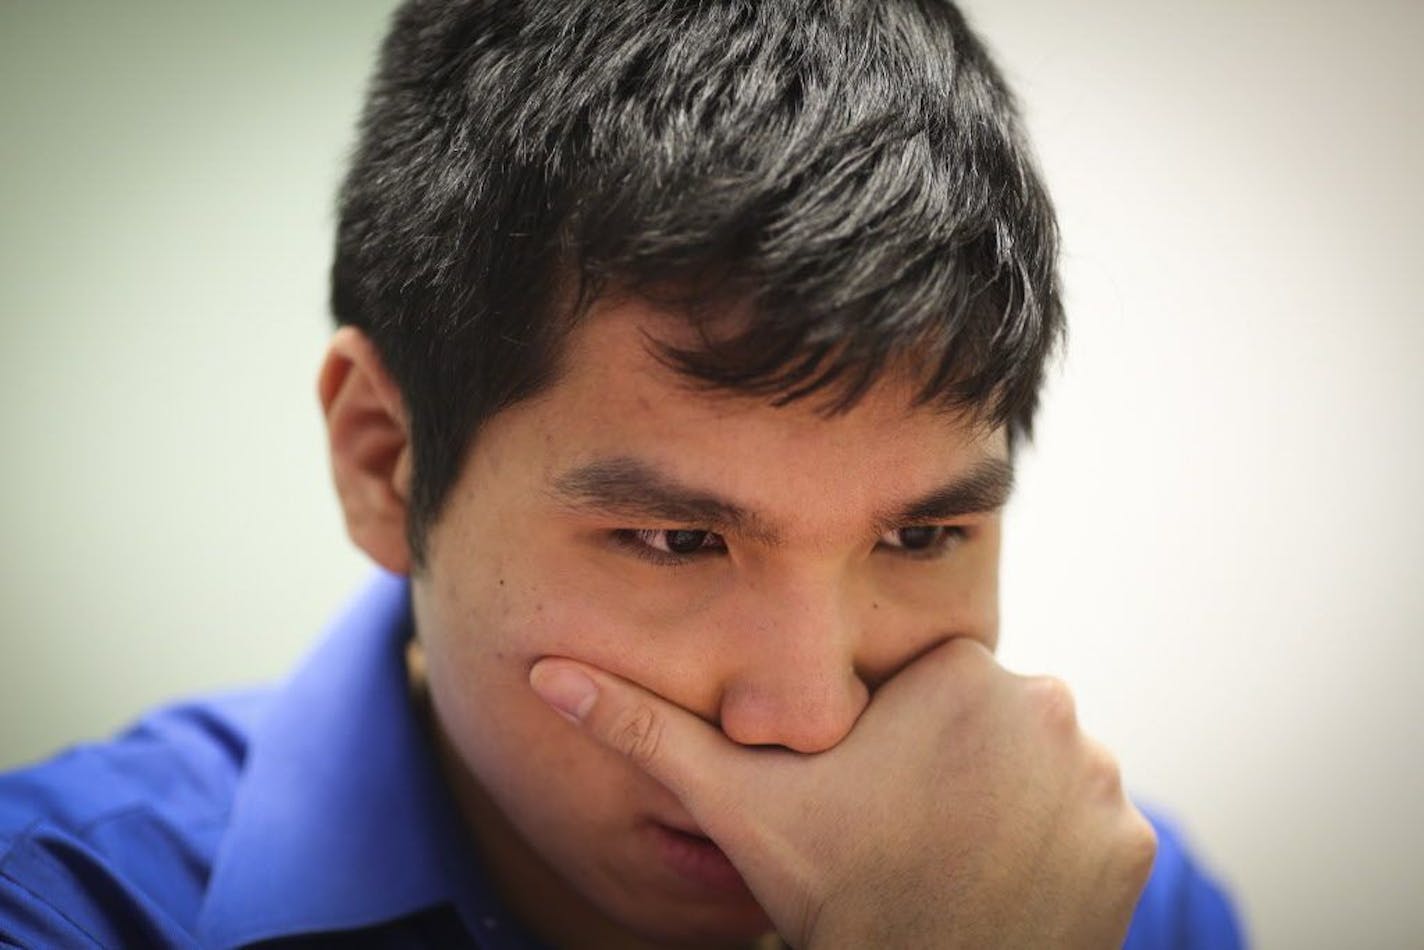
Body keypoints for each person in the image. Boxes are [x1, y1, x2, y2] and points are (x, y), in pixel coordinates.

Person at [0, 1, 1245, 946]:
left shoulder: (1115, 905)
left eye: (920, 538)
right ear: (384, 461)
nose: (808, 717)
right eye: (673, 540)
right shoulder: (62, 906)